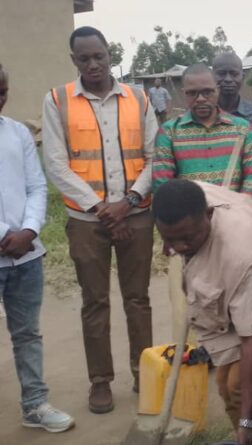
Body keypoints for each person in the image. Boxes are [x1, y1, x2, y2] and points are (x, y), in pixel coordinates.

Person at [41, 26, 157, 414]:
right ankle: (100, 381)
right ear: (74, 60)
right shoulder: (57, 100)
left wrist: (130, 200)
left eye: (99, 56)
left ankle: (145, 372)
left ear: (110, 55)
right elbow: (56, 165)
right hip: (87, 221)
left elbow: (156, 156)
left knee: (138, 300)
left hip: (137, 214)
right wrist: (101, 208)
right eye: (84, 58)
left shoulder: (138, 98)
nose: (93, 64)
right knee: (95, 301)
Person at [153, 179, 252, 445]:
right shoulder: (184, 199)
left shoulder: (242, 256)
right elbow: (179, 237)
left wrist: (245, 419)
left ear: (209, 214)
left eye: (186, 238)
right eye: (169, 238)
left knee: (236, 384)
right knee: (225, 381)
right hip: (225, 290)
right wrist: (173, 242)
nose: (179, 247)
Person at [0, 63, 75, 433]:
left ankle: (35, 405)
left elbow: (37, 186)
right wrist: (4, 234)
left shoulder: (17, 134)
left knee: (27, 333)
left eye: (1, 92)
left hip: (25, 255)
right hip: (7, 246)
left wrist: (29, 230)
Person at [152, 63, 252, 198]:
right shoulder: (169, 132)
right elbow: (162, 184)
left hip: (233, 215)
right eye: (192, 93)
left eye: (207, 92)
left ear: (217, 90)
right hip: (188, 217)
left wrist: (238, 208)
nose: (200, 99)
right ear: (184, 94)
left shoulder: (243, 129)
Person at [213, 52, 252, 147]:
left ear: (243, 77)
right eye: (222, 74)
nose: (228, 79)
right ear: (211, 76)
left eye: (234, 74)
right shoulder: (202, 115)